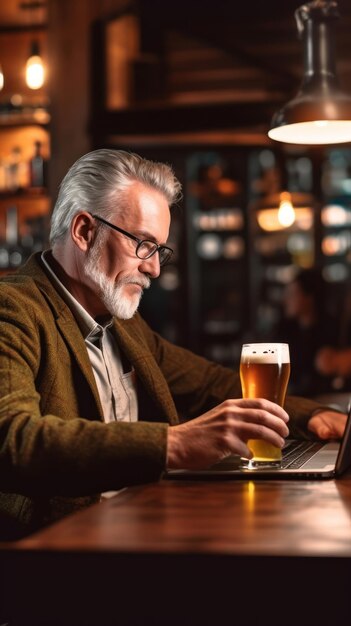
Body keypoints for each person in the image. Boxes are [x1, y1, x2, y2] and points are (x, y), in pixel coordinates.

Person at [0, 149, 346, 541]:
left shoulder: (123, 323)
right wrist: (173, 444)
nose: (154, 268)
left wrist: (317, 416)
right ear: (84, 231)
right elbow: (14, 439)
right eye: (143, 245)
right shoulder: (12, 308)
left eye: (159, 250)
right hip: (55, 549)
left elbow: (208, 384)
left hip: (141, 525)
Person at [268, 268, 343, 398]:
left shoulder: (333, 329)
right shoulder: (284, 331)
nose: (286, 301)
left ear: (309, 297)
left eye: (292, 294)